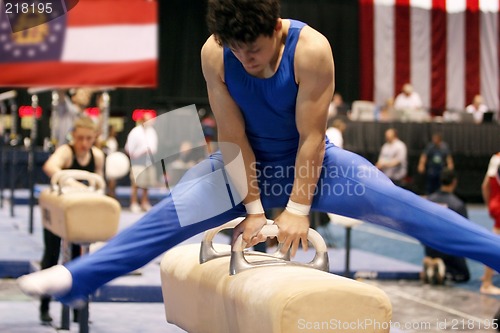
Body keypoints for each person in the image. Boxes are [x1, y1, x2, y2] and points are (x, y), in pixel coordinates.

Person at [17, 0, 500, 308]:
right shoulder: (215, 53)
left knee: (405, 208)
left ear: (274, 25)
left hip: (314, 166)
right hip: (241, 167)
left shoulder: (311, 49)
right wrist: (252, 210)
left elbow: (312, 138)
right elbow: (232, 136)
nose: (247, 58)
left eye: (255, 47)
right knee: (166, 219)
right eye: (237, 49)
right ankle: (75, 279)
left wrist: (295, 209)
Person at [39, 116, 105, 323]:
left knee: (80, 260)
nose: (84, 144)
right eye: (80, 139)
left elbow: (100, 185)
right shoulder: (66, 151)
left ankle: (79, 310)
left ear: (94, 138)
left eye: (89, 139)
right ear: (73, 136)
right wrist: (76, 184)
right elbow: (50, 168)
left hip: (79, 213)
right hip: (58, 212)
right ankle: (44, 306)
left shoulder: (97, 156)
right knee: (51, 258)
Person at [421, 169, 470, 285]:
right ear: (454, 182)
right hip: (448, 248)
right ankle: (444, 270)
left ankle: (431, 263)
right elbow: (464, 233)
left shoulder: (429, 200)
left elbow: (421, 225)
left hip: (430, 247)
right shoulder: (458, 204)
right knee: (464, 275)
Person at [124, 112, 158, 213]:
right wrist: (138, 154)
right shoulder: (135, 132)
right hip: (137, 161)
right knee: (136, 184)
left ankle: (144, 202)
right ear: (143, 120)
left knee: (146, 184)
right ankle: (133, 203)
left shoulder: (152, 131)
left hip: (149, 161)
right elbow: (128, 148)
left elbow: (154, 145)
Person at [480, 152, 500, 295]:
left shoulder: (495, 157)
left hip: (495, 203)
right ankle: (487, 283)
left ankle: (487, 276)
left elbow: (485, 185)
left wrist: (489, 204)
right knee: (495, 242)